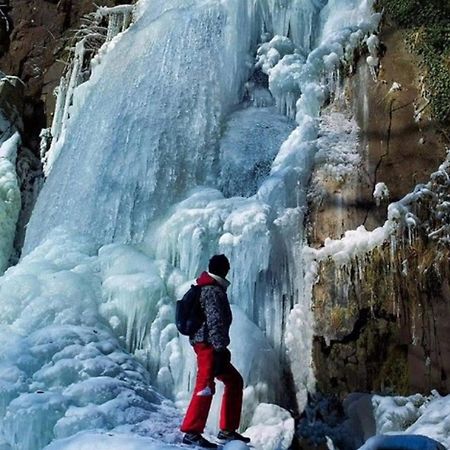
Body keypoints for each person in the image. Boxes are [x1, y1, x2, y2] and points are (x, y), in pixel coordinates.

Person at [181, 254, 250, 448]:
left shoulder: (211, 287)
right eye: (227, 268)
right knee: (205, 385)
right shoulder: (211, 290)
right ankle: (192, 432)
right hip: (208, 345)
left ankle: (227, 430)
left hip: (211, 344)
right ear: (223, 269)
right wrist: (220, 349)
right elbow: (214, 321)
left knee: (234, 381)